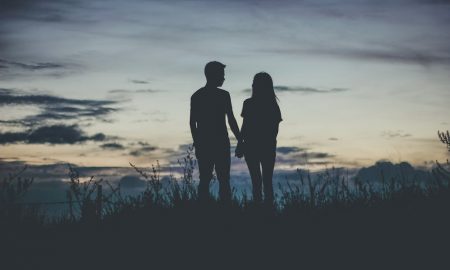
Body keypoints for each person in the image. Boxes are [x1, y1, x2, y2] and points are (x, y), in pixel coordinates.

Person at [190, 61, 241, 202]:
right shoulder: (223, 95)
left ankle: (206, 209)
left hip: (208, 143)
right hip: (219, 143)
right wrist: (240, 139)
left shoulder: (197, 96)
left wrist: (198, 143)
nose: (224, 78)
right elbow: (231, 120)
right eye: (222, 75)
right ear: (214, 75)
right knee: (222, 180)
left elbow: (192, 123)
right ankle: (222, 210)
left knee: (206, 179)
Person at [236, 72, 282, 203]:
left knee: (258, 181)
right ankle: (266, 211)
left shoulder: (250, 104)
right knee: (265, 182)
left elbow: (245, 127)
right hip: (264, 147)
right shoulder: (272, 106)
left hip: (255, 146)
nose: (252, 85)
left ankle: (261, 211)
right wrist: (240, 144)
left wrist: (241, 144)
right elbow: (274, 131)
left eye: (254, 83)